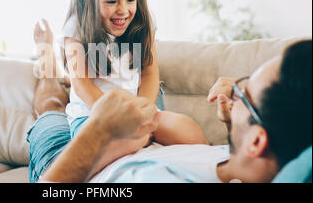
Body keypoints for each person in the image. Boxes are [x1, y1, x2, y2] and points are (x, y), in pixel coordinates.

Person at [28, 39, 312, 183]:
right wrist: (232, 125)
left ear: (257, 141)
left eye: (244, 93)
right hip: (132, 143)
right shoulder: (252, 163)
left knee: (51, 107)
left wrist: (98, 131)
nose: (233, 93)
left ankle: (46, 67)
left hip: (73, 164)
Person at [31, 0, 207, 179]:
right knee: (112, 144)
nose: (123, 10)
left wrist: (141, 112)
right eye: (112, 1)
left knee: (189, 134)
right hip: (94, 113)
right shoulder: (76, 26)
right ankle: (48, 62)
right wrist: (117, 119)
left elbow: (149, 75)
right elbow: (83, 85)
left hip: (137, 104)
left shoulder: (144, 21)